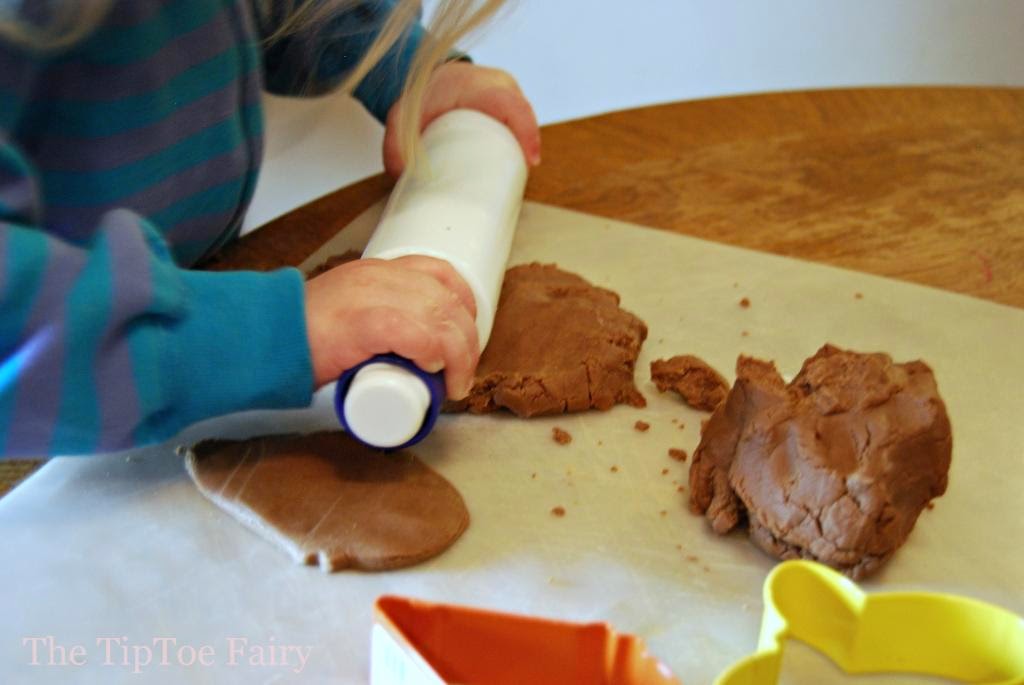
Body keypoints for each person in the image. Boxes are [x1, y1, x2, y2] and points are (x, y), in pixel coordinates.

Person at [0, 0, 541, 457]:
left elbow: (294, 10)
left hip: (184, 316)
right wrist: (275, 331)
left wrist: (412, 68)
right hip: (46, 422)